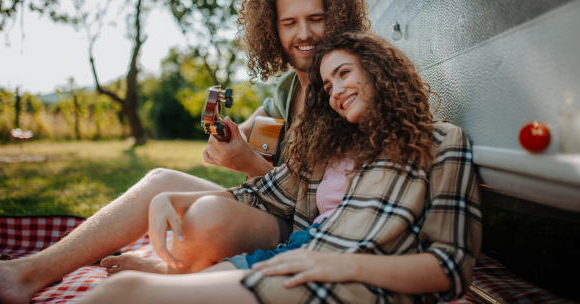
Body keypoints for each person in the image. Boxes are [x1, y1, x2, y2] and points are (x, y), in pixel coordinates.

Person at [0, 0, 371, 304]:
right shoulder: (288, 89)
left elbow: (318, 209)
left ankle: (172, 273)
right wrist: (227, 138)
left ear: (336, 17)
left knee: (206, 217)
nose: (303, 34)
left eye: (315, 19)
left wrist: (249, 162)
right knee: (159, 180)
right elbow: (253, 135)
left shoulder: (346, 89)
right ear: (273, 29)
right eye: (289, 22)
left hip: (304, 230)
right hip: (272, 209)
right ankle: (27, 273)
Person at [76, 30, 482, 304]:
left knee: (126, 293)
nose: (337, 91)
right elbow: (261, 192)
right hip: (292, 257)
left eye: (344, 73)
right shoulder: (333, 147)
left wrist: (341, 264)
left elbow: (450, 266)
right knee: (128, 291)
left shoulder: (442, 142)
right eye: (328, 85)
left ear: (380, 70)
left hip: (341, 281)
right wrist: (172, 197)